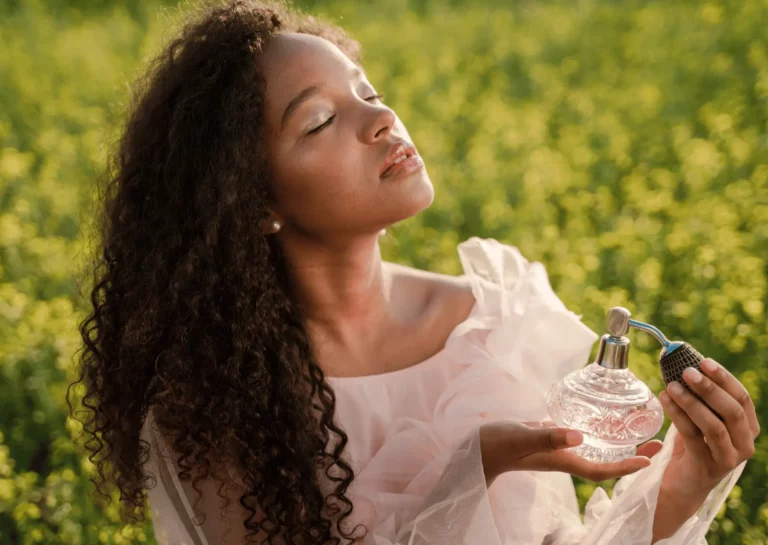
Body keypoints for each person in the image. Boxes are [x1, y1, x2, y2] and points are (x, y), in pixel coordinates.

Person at [69, 1, 759, 544]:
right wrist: (475, 466)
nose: (379, 118)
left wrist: (685, 482)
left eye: (366, 88)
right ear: (252, 202)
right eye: (319, 120)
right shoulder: (215, 396)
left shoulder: (497, 325)